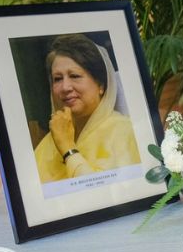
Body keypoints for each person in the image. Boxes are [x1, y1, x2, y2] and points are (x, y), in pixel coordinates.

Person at [34, 34, 140, 183]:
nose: (65, 87)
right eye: (57, 78)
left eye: (75, 76)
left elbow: (104, 195)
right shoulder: (50, 140)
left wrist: (67, 148)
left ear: (100, 85)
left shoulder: (125, 131)